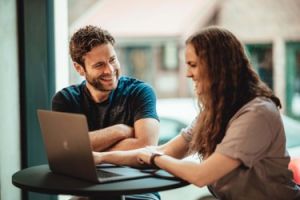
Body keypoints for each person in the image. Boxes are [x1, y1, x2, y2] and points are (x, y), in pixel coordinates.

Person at [93, 26, 300, 199]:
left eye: (193, 65)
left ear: (216, 66)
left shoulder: (257, 113)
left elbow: (202, 175)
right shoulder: (215, 112)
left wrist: (154, 158)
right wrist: (101, 158)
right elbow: (166, 150)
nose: (187, 73)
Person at [52, 25, 160, 200]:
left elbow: (146, 146)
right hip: (87, 190)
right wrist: (120, 131)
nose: (109, 70)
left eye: (112, 60)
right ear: (79, 68)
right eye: (99, 65)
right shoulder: (66, 99)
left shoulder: (140, 92)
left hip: (138, 189)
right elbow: (65, 152)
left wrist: (89, 150)